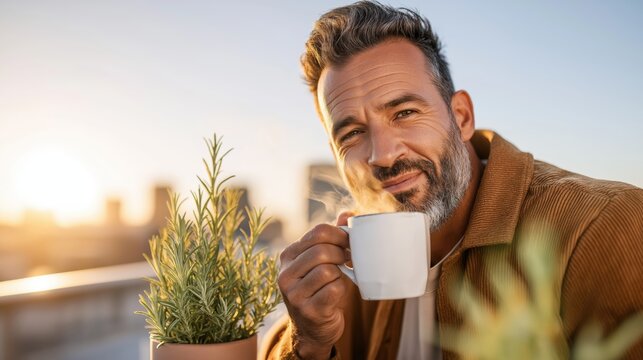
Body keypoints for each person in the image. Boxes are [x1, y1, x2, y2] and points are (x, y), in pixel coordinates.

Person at [262, 1, 643, 359]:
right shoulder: (354, 260)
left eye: (405, 112)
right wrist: (307, 341)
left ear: (461, 117)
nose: (382, 155)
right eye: (352, 134)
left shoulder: (605, 225)